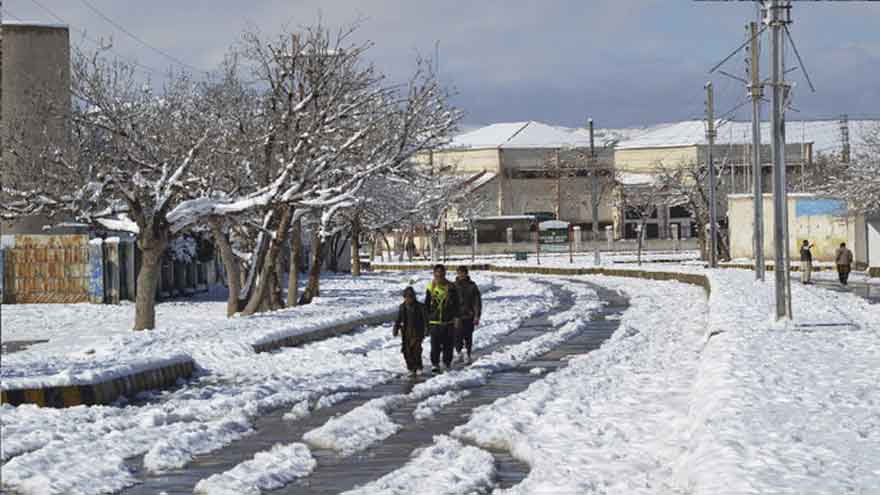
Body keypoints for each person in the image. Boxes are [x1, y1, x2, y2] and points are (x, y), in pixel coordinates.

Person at [425, 264, 460, 373]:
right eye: (437, 273)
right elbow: (426, 304)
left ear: (444, 274)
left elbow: (457, 304)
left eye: (441, 273)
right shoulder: (430, 287)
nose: (439, 275)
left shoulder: (451, 287)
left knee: (448, 344)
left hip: (448, 321)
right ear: (434, 274)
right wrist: (425, 319)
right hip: (434, 321)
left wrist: (457, 317)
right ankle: (435, 363)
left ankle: (447, 362)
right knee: (435, 345)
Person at [393, 287, 427, 377]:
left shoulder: (420, 307)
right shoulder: (402, 307)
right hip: (406, 332)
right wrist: (395, 329)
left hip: (417, 332)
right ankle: (411, 368)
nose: (408, 299)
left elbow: (425, 319)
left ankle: (419, 366)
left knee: (416, 350)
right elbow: (398, 319)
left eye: (410, 297)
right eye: (406, 297)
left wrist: (426, 330)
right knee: (406, 351)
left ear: (414, 297)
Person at [454, 266, 482, 364]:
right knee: (457, 336)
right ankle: (459, 352)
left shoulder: (472, 286)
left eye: (463, 273)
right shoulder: (453, 286)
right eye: (459, 273)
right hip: (457, 316)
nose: (461, 275)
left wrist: (477, 315)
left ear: (466, 274)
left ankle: (468, 354)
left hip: (469, 315)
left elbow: (477, 302)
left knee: (468, 336)